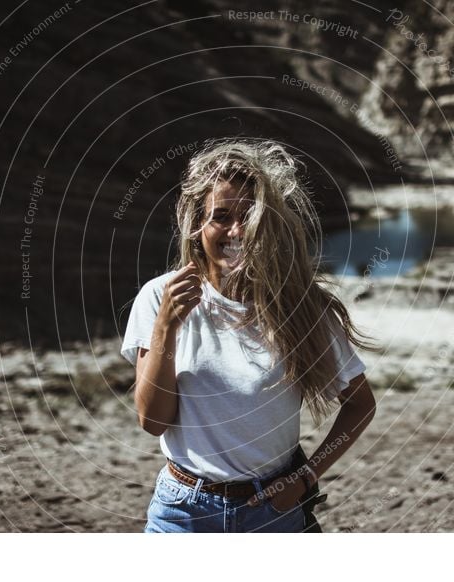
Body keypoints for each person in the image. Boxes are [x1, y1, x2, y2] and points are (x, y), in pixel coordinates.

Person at [120, 138, 378, 533]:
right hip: (183, 515)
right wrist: (167, 325)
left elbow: (360, 405)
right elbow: (152, 421)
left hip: (273, 514)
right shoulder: (161, 296)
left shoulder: (302, 307)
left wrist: (305, 478)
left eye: (250, 216)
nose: (236, 230)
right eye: (221, 216)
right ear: (197, 224)